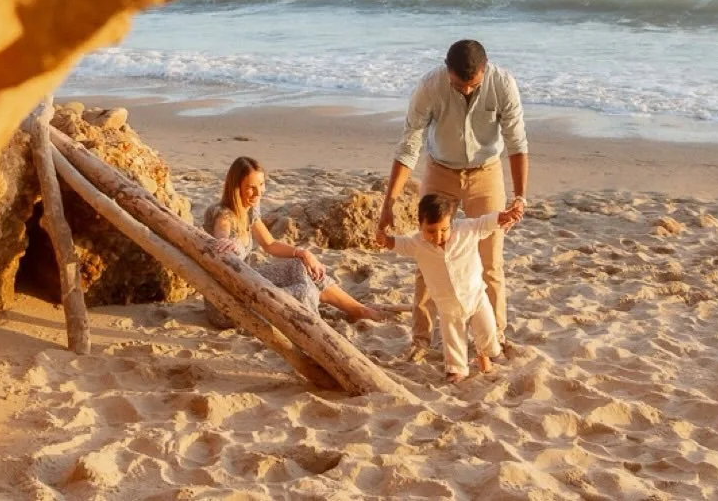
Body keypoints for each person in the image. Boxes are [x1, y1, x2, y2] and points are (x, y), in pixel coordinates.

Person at [375, 38, 528, 355]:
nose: (467, 91)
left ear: (484, 72)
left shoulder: (503, 84)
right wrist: (389, 202)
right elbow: (408, 146)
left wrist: (520, 196)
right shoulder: (429, 87)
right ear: (448, 72)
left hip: (486, 171)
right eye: (460, 85)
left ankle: (493, 335)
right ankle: (421, 337)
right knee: (427, 253)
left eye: (473, 85)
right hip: (440, 169)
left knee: (490, 260)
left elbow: (517, 142)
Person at [204, 156, 395, 323]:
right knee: (305, 291)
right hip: (229, 301)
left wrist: (304, 253)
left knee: (301, 266)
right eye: (251, 188)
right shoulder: (223, 215)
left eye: (261, 184)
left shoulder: (249, 209)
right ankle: (323, 322)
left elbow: (270, 244)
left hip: (248, 280)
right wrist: (230, 244)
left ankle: (359, 310)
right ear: (236, 188)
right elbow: (222, 239)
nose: (259, 192)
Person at [377, 192, 520, 382]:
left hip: (476, 296)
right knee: (453, 339)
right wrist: (385, 240)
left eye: (444, 230)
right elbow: (400, 244)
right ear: (420, 226)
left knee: (488, 332)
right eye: (431, 231)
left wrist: (501, 217)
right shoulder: (417, 243)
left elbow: (483, 223)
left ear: (451, 222)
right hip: (447, 305)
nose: (438, 236)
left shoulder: (465, 229)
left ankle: (485, 354)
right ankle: (458, 369)